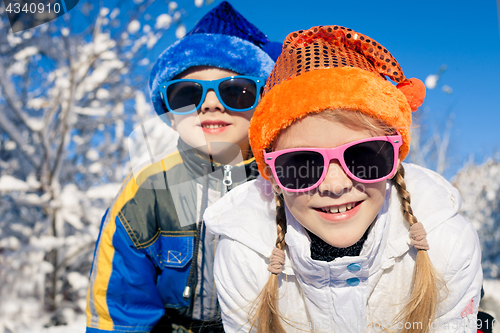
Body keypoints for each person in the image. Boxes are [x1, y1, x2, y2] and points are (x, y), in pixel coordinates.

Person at [204, 25, 483, 332]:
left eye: (363, 157)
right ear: (271, 174)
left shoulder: (447, 242)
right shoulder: (245, 254)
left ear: (396, 155)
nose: (335, 186)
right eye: (302, 164)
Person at [85, 2, 280, 332]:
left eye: (236, 91)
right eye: (186, 94)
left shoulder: (289, 180)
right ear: (171, 116)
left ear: (262, 104)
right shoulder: (146, 191)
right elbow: (122, 308)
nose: (210, 103)